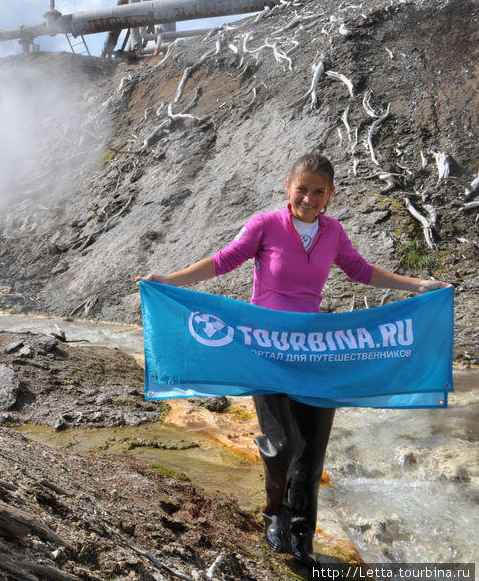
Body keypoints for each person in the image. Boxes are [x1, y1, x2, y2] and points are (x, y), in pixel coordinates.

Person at [135, 153, 450, 565]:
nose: (309, 198)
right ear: (289, 188)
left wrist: (419, 285)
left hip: (315, 353)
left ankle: (303, 533)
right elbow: (224, 261)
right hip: (264, 351)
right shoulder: (265, 225)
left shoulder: (333, 232)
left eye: (318, 191)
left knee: (312, 449)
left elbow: (360, 270)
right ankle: (275, 515)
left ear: (329, 195)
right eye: (302, 189)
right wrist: (167, 281)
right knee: (283, 443)